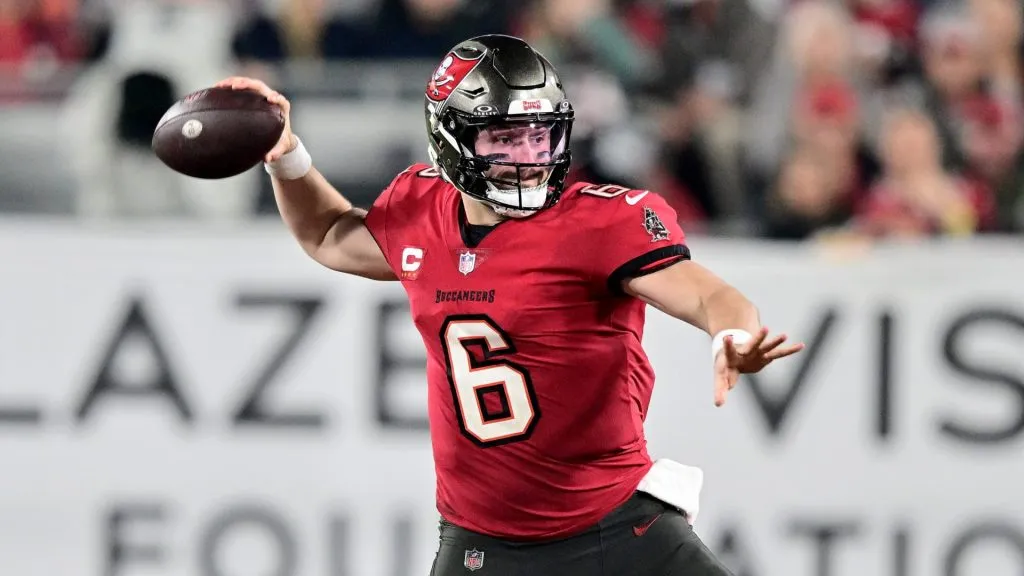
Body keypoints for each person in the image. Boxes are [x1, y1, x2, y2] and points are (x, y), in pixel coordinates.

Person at [216, 35, 803, 576]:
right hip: (483, 545)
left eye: (538, 135)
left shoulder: (598, 222)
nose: (526, 155)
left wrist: (733, 334)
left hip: (619, 528)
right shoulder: (422, 209)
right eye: (502, 136)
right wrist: (285, 153)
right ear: (450, 137)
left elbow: (706, 293)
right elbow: (327, 235)